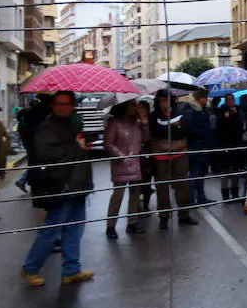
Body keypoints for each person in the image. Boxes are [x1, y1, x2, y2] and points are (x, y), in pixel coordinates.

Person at [21, 91, 95, 287]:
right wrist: (76, 146)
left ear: (72, 106)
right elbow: (46, 155)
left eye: (66, 104)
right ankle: (30, 268)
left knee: (75, 228)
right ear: (53, 105)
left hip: (77, 184)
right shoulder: (47, 127)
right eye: (59, 103)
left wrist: (82, 142)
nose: (62, 107)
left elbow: (73, 149)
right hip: (60, 185)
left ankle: (71, 270)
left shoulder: (70, 124)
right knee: (51, 229)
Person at [149, 90, 197, 229]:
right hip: (161, 154)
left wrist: (171, 128)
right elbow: (155, 131)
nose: (164, 103)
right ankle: (164, 216)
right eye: (162, 100)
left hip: (179, 153)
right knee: (162, 186)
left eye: (167, 100)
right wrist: (171, 126)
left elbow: (185, 131)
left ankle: (184, 214)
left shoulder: (181, 114)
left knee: (182, 184)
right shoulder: (154, 116)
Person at [103, 100, 148, 239]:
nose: (135, 107)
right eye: (132, 104)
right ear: (124, 106)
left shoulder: (137, 123)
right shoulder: (114, 122)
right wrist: (121, 156)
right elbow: (108, 143)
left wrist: (145, 122)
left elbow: (146, 139)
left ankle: (132, 222)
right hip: (121, 163)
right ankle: (111, 226)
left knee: (135, 194)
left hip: (135, 162)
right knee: (118, 195)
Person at [182, 88, 215, 205]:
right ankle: (191, 199)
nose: (206, 100)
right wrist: (203, 133)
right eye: (204, 98)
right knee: (195, 173)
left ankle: (201, 197)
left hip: (203, 145)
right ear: (199, 98)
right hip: (195, 145)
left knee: (201, 173)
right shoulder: (191, 110)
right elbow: (190, 128)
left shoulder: (202, 110)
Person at [15, 95, 52, 193]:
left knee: (34, 162)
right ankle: (32, 183)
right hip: (36, 139)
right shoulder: (44, 110)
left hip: (29, 140)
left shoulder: (32, 111)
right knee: (38, 162)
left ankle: (27, 182)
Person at [214, 93, 245, 202]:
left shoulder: (238, 110)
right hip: (225, 144)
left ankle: (235, 193)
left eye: (232, 99)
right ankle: (225, 194)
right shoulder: (222, 111)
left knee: (235, 170)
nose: (231, 101)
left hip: (236, 143)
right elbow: (221, 124)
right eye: (228, 99)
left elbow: (240, 125)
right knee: (225, 171)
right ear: (226, 101)